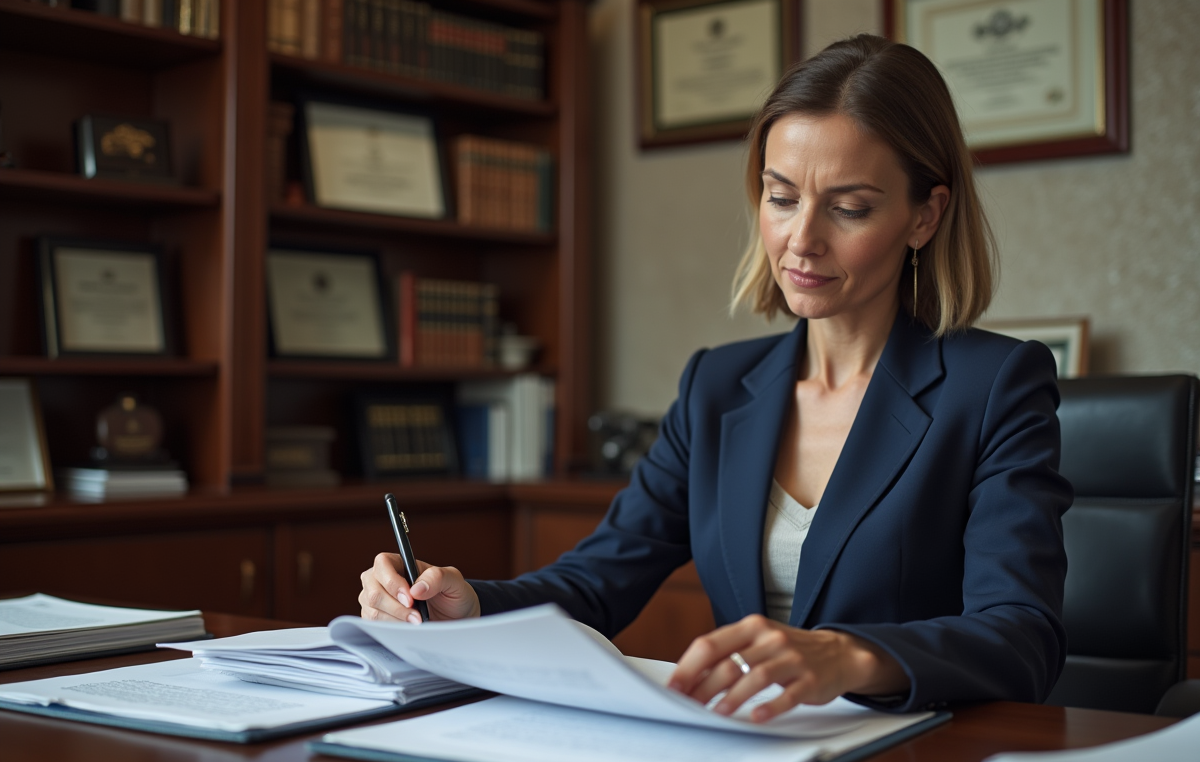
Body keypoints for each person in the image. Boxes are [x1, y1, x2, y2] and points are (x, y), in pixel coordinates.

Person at [359, 34, 1072, 719]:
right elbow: (596, 582)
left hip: (914, 759)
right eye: (782, 196)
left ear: (926, 215)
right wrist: (466, 604)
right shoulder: (717, 387)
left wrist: (846, 657)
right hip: (750, 749)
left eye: (849, 208)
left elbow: (1020, 637)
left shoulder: (996, 385)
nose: (801, 238)